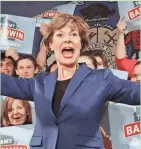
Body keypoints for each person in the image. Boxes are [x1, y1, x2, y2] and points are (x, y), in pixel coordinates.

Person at [1, 13, 140, 149]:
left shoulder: (101, 79)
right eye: (60, 35)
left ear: (81, 44)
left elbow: (137, 92)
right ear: (51, 44)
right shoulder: (39, 82)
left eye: (73, 34)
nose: (67, 39)